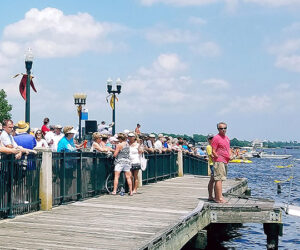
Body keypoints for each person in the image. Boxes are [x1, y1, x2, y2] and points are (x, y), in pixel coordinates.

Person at [211, 122, 232, 203]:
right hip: (219, 161)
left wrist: (229, 155)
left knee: (221, 179)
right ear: (218, 129)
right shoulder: (216, 138)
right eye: (221, 128)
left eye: (224, 128)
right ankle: (219, 198)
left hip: (225, 160)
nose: (223, 130)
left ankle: (218, 197)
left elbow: (228, 149)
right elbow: (213, 150)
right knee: (218, 179)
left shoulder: (227, 138)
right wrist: (217, 157)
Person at [206, 134, 215, 201]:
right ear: (208, 139)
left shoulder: (214, 146)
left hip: (215, 164)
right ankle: (210, 196)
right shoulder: (209, 146)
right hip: (212, 164)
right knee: (212, 180)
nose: (212, 139)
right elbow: (211, 155)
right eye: (211, 138)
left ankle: (213, 195)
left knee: (214, 180)